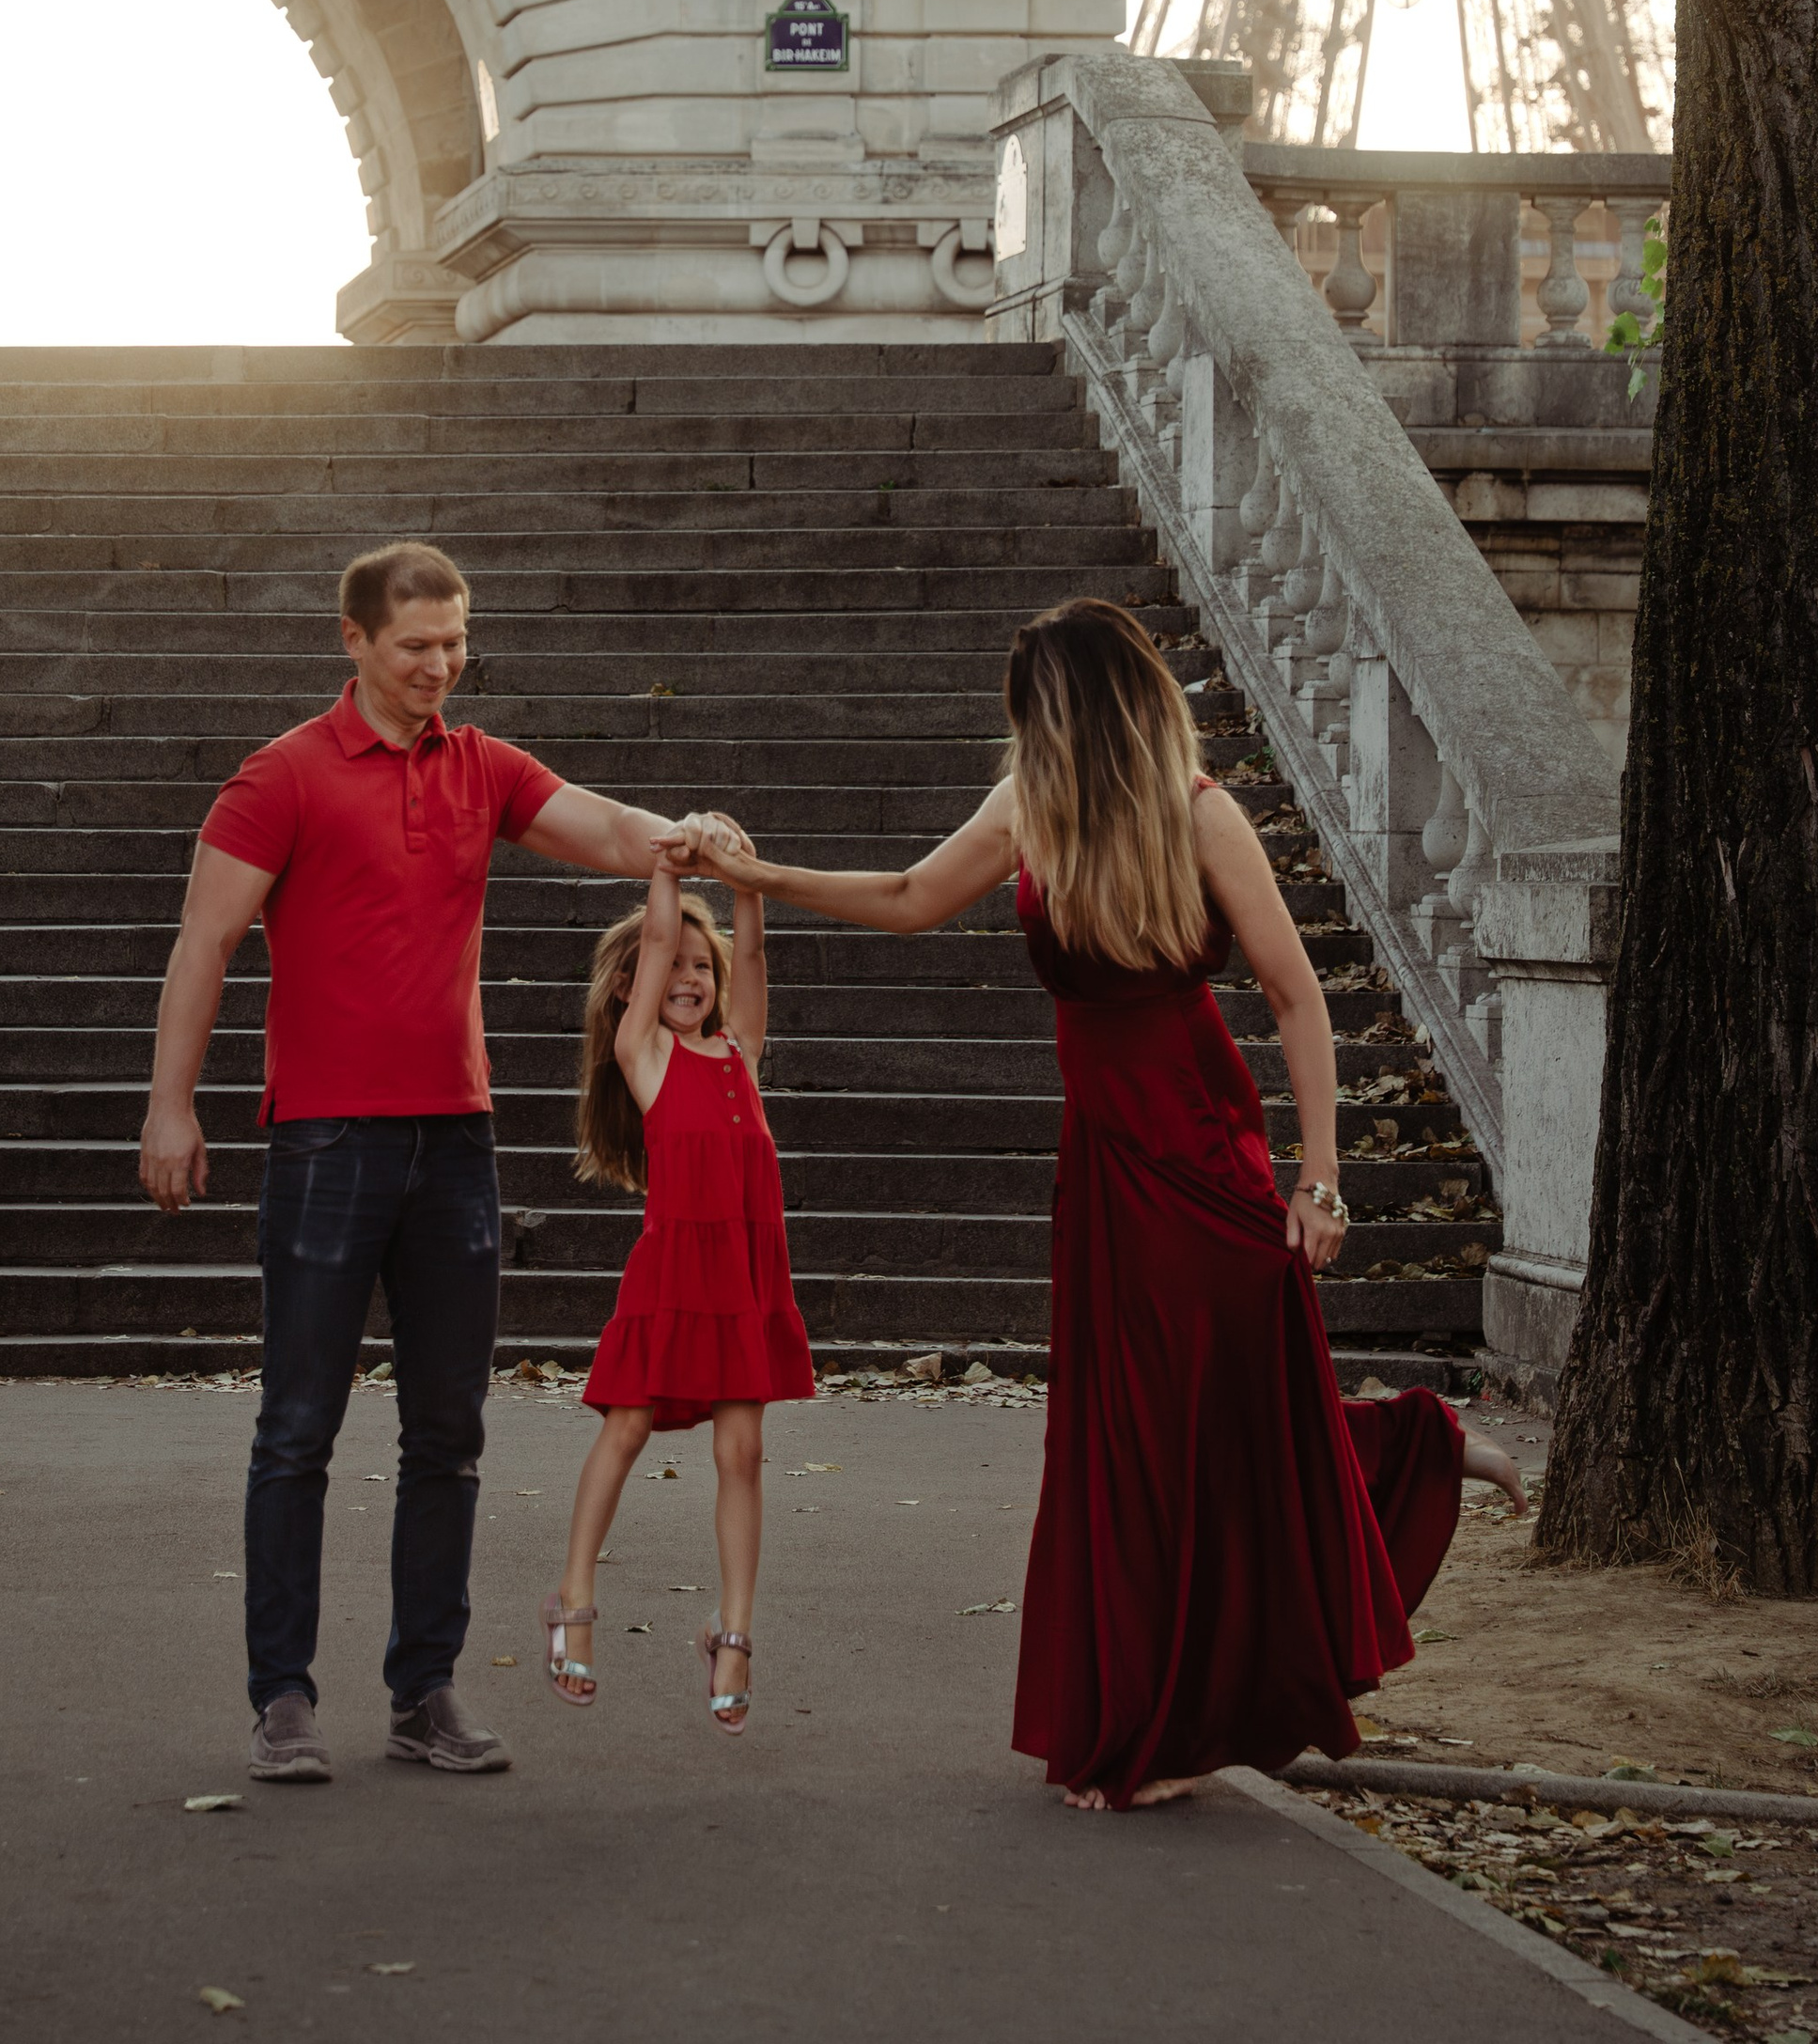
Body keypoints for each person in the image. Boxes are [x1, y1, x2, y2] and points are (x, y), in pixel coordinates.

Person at [680, 596, 1526, 1811]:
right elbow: (913, 896)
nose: (1023, 731)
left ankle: (1406, 1469)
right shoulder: (1033, 805)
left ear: (1073, 708)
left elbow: (1295, 997)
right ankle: (1158, 1708)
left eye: (1034, 709)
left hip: (1204, 1147)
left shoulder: (1203, 814)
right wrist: (754, 873)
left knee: (1216, 1410)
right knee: (1131, 1433)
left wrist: (1322, 1176)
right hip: (1107, 1160)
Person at [137, 540, 738, 1789]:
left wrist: (676, 837)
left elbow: (603, 826)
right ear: (352, 642)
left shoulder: (482, 768)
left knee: (447, 1433)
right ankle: (283, 1700)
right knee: (297, 1428)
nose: (440, 665)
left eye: (456, 641)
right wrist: (170, 1107)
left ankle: (425, 1691)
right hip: (325, 1141)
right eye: (416, 645)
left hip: (453, 1142)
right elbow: (204, 941)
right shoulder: (282, 779)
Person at [540, 849, 813, 1731]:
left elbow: (757, 956)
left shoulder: (740, 1049)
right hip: (671, 1274)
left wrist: (742, 877)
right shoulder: (644, 1055)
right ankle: (574, 1599)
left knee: (742, 1456)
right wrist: (668, 863)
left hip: (741, 1278)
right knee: (625, 1429)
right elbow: (658, 934)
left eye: (706, 966)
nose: (690, 976)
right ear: (634, 988)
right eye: (673, 967)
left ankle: (731, 1631)